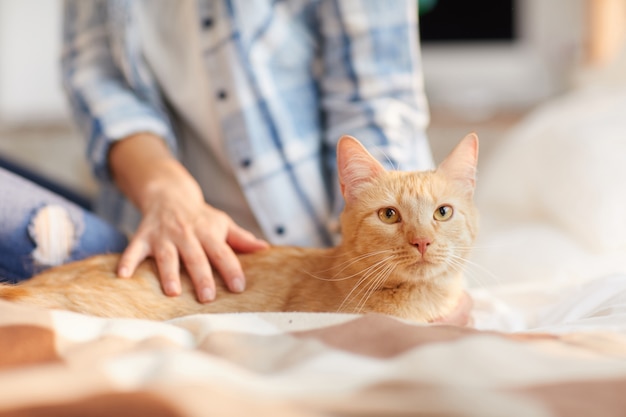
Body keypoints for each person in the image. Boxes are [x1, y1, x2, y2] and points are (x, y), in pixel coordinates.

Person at [60, 0, 434, 303]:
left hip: (313, 248)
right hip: (154, 227)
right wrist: (166, 191)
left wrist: (404, 249)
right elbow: (96, 78)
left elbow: (374, 100)